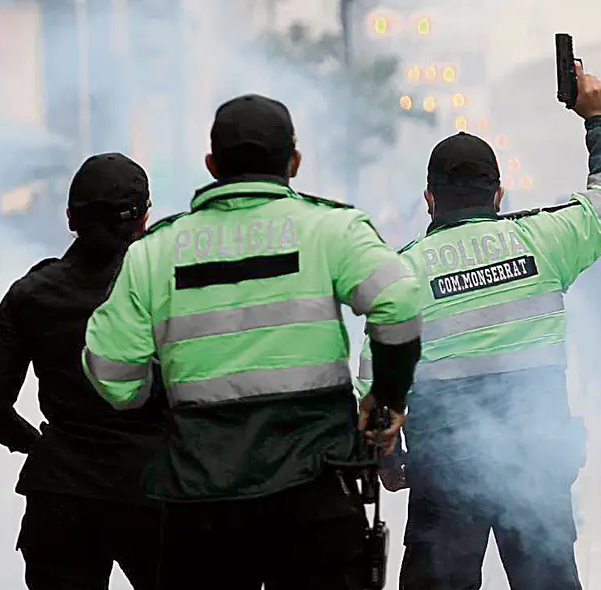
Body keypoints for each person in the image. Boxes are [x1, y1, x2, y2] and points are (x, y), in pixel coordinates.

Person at [81, 94, 424, 589]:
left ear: (213, 165)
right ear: (294, 162)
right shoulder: (332, 230)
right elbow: (399, 300)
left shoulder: (153, 254)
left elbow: (113, 374)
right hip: (315, 496)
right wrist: (386, 399)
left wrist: (155, 401)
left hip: (201, 508)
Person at [356, 63, 601, 589]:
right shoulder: (545, 241)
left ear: (430, 200)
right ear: (499, 195)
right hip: (536, 469)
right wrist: (598, 119)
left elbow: (374, 389)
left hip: (442, 480)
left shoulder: (402, 274)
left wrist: (387, 460)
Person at [0, 153, 165, 590]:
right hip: (156, 493)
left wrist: (38, 446)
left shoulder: (32, 294)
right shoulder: (166, 291)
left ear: (71, 217)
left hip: (61, 496)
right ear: (144, 218)